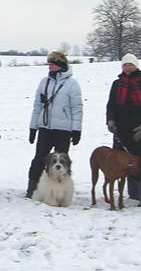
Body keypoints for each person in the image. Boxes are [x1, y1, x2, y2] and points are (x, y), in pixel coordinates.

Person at [106, 53, 141, 207]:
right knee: (123, 160)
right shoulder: (117, 84)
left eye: (130, 65)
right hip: (121, 129)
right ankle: (132, 193)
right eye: (125, 65)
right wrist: (110, 120)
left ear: (136, 66)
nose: (128, 67)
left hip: (140, 129)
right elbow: (111, 105)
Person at [27, 51, 83, 198]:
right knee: (39, 158)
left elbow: (77, 108)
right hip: (45, 127)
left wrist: (76, 130)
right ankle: (33, 188)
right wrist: (33, 127)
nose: (49, 66)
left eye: (52, 64)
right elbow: (37, 106)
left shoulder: (72, 84)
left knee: (61, 162)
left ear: (60, 65)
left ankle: (60, 191)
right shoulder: (44, 82)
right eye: (49, 64)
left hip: (63, 129)